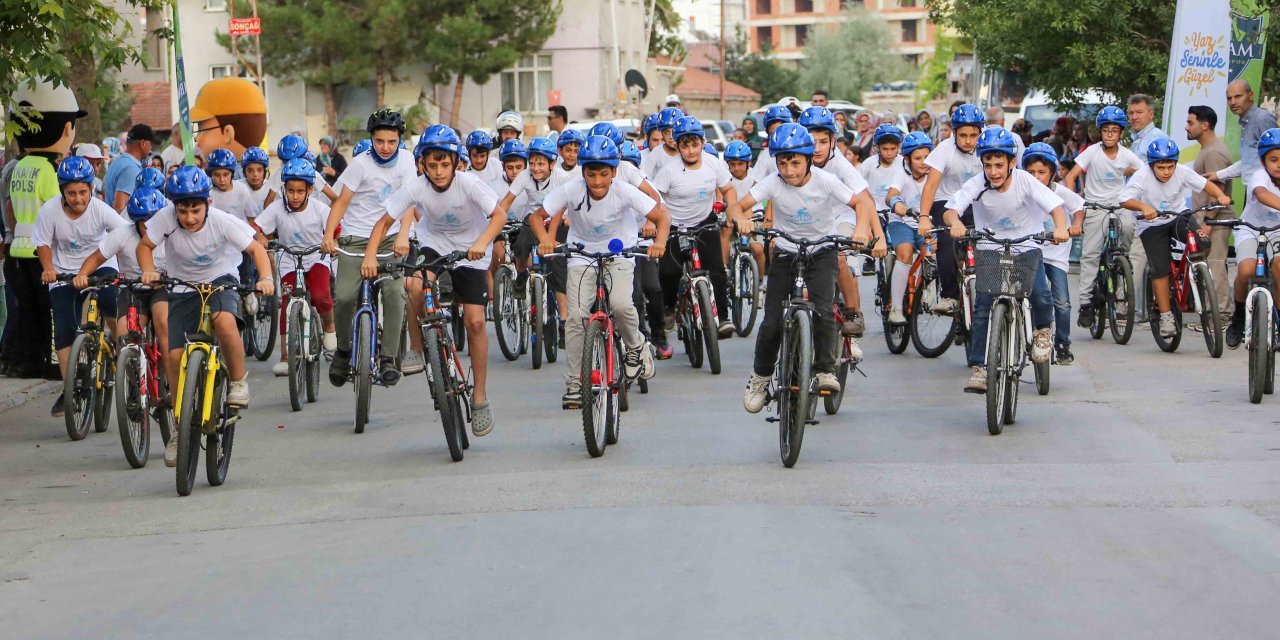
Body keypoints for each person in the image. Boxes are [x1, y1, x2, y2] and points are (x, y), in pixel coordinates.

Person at [366, 125, 506, 436]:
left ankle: (480, 396)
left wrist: (482, 242)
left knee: (475, 322)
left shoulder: (469, 184)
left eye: (445, 164)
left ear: (456, 162)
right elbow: (383, 222)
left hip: (472, 250)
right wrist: (370, 257)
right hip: (434, 244)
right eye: (432, 165)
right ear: (422, 165)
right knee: (412, 283)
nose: (439, 172)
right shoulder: (416, 188)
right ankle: (417, 346)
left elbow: (499, 216)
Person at [731, 124, 875, 412]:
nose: (788, 169)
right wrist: (742, 219)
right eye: (782, 162)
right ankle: (760, 377)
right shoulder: (772, 182)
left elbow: (861, 203)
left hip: (822, 251)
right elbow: (736, 206)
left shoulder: (824, 180)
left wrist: (860, 229)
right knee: (771, 321)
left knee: (823, 311)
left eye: (795, 162)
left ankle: (824, 370)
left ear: (808, 160)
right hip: (786, 252)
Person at [530, 135, 666, 407]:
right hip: (581, 255)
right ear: (583, 172)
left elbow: (662, 216)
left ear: (614, 172)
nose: (597, 181)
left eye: (604, 174)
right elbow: (536, 216)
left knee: (620, 303)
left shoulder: (624, 191)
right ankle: (575, 381)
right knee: (576, 317)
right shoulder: (572, 189)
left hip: (620, 253)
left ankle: (637, 346)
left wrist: (659, 242)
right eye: (591, 174)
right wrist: (545, 238)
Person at [935, 127, 1068, 393]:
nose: (993, 171)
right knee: (983, 303)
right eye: (988, 165)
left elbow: (1055, 207)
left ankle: (1042, 332)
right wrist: (956, 223)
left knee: (1041, 295)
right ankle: (981, 368)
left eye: (999, 165)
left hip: (1026, 246)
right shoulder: (977, 183)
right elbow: (951, 210)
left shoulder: (1025, 180)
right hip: (990, 247)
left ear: (1012, 163)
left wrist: (1061, 228)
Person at [139, 166, 273, 410]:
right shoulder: (165, 218)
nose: (189, 218)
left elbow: (256, 249)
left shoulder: (222, 222)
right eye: (182, 211)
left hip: (220, 279)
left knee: (223, 321)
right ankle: (180, 429)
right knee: (174, 356)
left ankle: (238, 382)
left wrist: (266, 278)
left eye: (196, 210)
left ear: (208, 203)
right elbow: (144, 246)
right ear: (174, 207)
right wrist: (148, 269)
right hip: (182, 286)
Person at [76, 186, 173, 461]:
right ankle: (133, 378)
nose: (148, 226)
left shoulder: (171, 234)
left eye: (152, 220)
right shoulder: (123, 234)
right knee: (123, 336)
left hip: (163, 288)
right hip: (132, 289)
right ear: (135, 220)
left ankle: (170, 373)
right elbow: (96, 258)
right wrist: (83, 275)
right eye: (143, 221)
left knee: (164, 323)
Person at [322, 109, 416, 386]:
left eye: (391, 141)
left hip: (390, 238)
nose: (385, 147)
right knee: (344, 296)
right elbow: (340, 202)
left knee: (395, 292)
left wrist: (404, 236)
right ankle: (343, 349)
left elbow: (410, 201)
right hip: (357, 238)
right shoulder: (360, 165)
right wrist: (329, 235)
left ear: (399, 139)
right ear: (371, 139)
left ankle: (388, 357)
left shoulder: (407, 161)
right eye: (379, 141)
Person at [34, 156, 127, 417]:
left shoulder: (100, 209)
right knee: (63, 328)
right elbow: (42, 243)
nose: (78, 199)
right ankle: (69, 388)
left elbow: (123, 234)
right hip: (64, 273)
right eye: (71, 193)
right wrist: (48, 269)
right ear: (62, 191)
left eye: (83, 192)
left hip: (101, 267)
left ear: (91, 189)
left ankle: (123, 353)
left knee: (111, 303)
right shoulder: (50, 211)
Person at [1118, 138, 1231, 338]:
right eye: (1161, 167)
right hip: (1151, 224)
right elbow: (1124, 199)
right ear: (1151, 165)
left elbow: (1207, 185)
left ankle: (1195, 272)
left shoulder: (1182, 171)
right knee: (1160, 270)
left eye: (1170, 167)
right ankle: (1166, 315)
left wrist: (1220, 196)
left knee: (1203, 243)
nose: (1166, 172)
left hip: (1178, 216)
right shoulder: (1142, 176)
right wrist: (1144, 207)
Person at [800, 107, 884, 357]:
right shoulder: (794, 160)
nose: (816, 148)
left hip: (842, 218)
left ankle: (852, 317)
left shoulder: (840, 165)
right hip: (812, 222)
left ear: (833, 142)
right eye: (811, 141)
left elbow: (866, 200)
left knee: (840, 257)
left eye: (823, 142)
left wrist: (875, 235)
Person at [651, 116, 737, 341]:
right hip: (674, 225)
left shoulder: (713, 163)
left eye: (695, 144)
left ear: (702, 143)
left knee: (717, 270)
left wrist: (731, 213)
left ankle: (723, 318)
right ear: (678, 146)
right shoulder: (669, 170)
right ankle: (669, 308)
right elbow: (655, 200)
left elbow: (728, 189)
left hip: (704, 222)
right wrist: (653, 224)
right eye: (685, 145)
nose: (690, 151)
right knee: (669, 272)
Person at [253, 158, 337, 377]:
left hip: (316, 256)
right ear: (284, 189)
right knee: (288, 303)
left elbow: (335, 227)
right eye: (290, 191)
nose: (295, 196)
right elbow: (257, 227)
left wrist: (332, 242)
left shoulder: (320, 209)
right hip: (289, 258)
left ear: (310, 189)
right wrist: (261, 237)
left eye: (300, 191)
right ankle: (285, 357)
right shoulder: (277, 208)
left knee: (320, 295)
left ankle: (329, 327)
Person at [1063, 105, 1143, 328]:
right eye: (1106, 130)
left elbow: (1146, 173)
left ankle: (1121, 261)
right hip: (1095, 206)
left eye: (1114, 131)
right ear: (1100, 132)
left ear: (1121, 133)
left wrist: (1133, 174)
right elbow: (1071, 176)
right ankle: (1086, 303)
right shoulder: (1092, 151)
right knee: (1090, 254)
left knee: (1128, 227)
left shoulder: (1127, 154)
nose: (1109, 134)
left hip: (1119, 205)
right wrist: (1075, 202)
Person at [1022, 142, 1085, 365]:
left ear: (1052, 173)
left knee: (1062, 302)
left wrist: (1075, 225)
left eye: (1041, 172)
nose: (1036, 177)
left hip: (1056, 256)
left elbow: (1078, 207)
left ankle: (1062, 344)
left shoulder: (1060, 192)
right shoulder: (1023, 193)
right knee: (1028, 297)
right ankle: (1025, 333)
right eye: (1031, 173)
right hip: (1030, 252)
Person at [919, 103, 985, 314]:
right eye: (963, 135)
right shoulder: (944, 149)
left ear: (980, 133)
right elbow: (930, 186)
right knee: (946, 240)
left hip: (975, 203)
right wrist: (923, 216)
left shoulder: (985, 149)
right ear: (954, 132)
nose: (968, 140)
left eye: (973, 135)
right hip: (945, 202)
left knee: (989, 241)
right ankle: (949, 296)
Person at [1225, 127, 1280, 348]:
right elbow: (1261, 193)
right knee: (1246, 271)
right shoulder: (1260, 175)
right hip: (1250, 229)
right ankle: (1238, 317)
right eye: (1274, 159)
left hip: (1278, 229)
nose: (1278, 164)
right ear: (1263, 160)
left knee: (1279, 267)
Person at [1184, 105, 1234, 319]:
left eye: (1190, 122)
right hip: (1208, 220)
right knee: (1208, 267)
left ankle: (1221, 314)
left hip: (1216, 221)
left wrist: (1206, 223)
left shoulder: (1214, 152)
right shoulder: (1207, 149)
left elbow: (1218, 192)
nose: (1186, 127)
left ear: (1205, 125)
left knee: (1215, 267)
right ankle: (1213, 314)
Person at [884, 131, 934, 324]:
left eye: (927, 157)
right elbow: (891, 194)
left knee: (932, 252)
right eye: (918, 158)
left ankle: (928, 294)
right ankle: (895, 308)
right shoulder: (901, 172)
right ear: (907, 159)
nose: (923, 162)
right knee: (904, 253)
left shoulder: (934, 174)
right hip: (902, 222)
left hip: (925, 224)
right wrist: (896, 203)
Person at [1204, 80, 1278, 184]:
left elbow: (1276, 157)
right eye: (1229, 98)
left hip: (1266, 192)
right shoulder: (1247, 122)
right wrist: (1218, 175)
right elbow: (1249, 161)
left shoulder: (1262, 119)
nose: (1233, 102)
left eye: (1238, 96)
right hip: (1254, 191)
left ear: (1251, 96)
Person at [103, 124, 153, 213]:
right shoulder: (131, 168)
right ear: (143, 143)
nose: (151, 148)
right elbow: (119, 208)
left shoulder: (118, 162)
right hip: (121, 225)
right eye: (151, 144)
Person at [240, 146, 275, 214]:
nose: (255, 174)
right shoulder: (238, 187)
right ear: (244, 172)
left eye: (259, 170)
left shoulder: (272, 188)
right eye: (250, 170)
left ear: (265, 171)